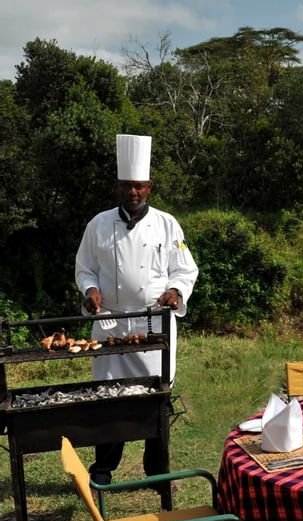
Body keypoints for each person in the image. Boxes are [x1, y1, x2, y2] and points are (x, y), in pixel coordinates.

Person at [75, 134, 199, 485]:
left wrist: (175, 291)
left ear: (149, 187)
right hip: (111, 323)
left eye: (140, 186)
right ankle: (103, 470)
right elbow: (84, 268)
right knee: (108, 399)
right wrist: (91, 290)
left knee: (155, 399)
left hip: (152, 321)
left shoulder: (167, 224)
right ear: (118, 188)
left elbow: (185, 269)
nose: (133, 192)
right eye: (127, 186)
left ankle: (157, 472)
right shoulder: (97, 225)